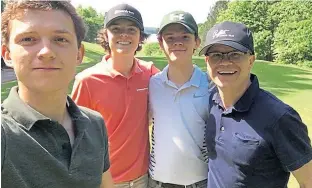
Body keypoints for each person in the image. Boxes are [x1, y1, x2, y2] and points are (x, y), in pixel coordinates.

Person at [1, 1, 113, 188]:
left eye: (60, 39)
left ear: (79, 54)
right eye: (28, 39)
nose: (46, 52)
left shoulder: (95, 124)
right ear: (7, 54)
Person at [199, 21, 312, 188]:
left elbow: (308, 180)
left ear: (251, 60)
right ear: (207, 62)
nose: (225, 62)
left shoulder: (279, 117)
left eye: (235, 54)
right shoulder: (209, 101)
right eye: (216, 55)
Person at [71, 3, 159, 188]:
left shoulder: (150, 73)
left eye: (131, 29)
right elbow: (75, 135)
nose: (124, 35)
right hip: (104, 180)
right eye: (116, 29)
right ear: (106, 35)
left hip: (143, 178)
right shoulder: (87, 80)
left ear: (140, 37)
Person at [148, 11, 209, 188]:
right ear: (160, 43)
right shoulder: (153, 83)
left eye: (185, 36)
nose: (178, 43)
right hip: (158, 181)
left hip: (200, 181)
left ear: (197, 42)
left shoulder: (210, 85)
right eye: (170, 38)